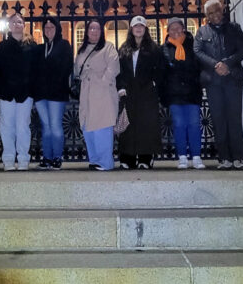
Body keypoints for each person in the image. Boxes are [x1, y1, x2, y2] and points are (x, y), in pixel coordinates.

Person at [194, 0, 243, 170]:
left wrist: (227, 63)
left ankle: (239, 158)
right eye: (210, 13)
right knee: (218, 120)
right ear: (207, 16)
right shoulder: (202, 31)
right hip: (213, 82)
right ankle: (224, 158)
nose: (215, 15)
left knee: (234, 118)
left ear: (222, 9)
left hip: (233, 79)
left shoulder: (234, 28)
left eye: (217, 11)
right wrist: (215, 65)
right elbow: (197, 51)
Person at [116, 15, 163, 170]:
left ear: (145, 29)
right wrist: (121, 87)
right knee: (128, 125)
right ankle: (127, 158)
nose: (138, 29)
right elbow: (119, 71)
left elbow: (160, 69)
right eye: (136, 26)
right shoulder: (124, 48)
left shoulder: (154, 48)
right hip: (128, 92)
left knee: (146, 125)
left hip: (146, 92)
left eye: (141, 26)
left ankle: (145, 157)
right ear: (131, 29)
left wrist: (154, 83)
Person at [74, 19, 119, 171]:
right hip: (87, 92)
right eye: (91, 28)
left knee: (102, 127)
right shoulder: (82, 49)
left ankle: (105, 162)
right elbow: (77, 69)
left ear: (101, 32)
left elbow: (113, 66)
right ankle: (94, 159)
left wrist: (103, 81)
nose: (94, 31)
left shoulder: (108, 47)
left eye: (97, 29)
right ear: (87, 31)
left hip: (103, 93)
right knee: (88, 126)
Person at [160, 16, 204, 169]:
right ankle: (182, 157)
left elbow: (199, 67)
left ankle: (196, 156)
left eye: (178, 27)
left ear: (183, 28)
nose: (176, 31)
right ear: (168, 31)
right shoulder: (164, 49)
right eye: (172, 28)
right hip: (174, 93)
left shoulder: (194, 45)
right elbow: (162, 73)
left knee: (194, 124)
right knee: (179, 125)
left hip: (192, 91)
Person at [0, 12, 36, 170]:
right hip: (7, 92)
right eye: (14, 22)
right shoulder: (2, 46)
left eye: (19, 22)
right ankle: (8, 159)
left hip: (25, 93)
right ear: (9, 26)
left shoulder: (31, 46)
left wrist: (31, 89)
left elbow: (35, 70)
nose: (17, 25)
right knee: (7, 126)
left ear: (24, 25)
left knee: (23, 126)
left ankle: (23, 159)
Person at [33, 15, 73, 169]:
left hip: (57, 93)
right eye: (46, 27)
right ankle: (47, 157)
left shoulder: (64, 45)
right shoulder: (40, 48)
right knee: (46, 126)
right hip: (41, 94)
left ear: (57, 29)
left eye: (52, 27)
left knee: (55, 125)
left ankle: (57, 156)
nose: (48, 30)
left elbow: (66, 68)